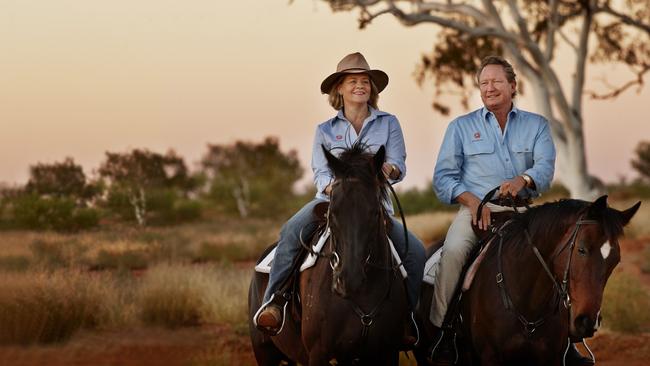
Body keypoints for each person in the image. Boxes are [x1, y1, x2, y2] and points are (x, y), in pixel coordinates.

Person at [429, 56, 593, 365]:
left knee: (556, 259)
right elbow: (443, 179)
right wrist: (473, 202)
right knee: (452, 252)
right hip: (477, 210)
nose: (489, 88)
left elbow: (545, 166)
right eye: (484, 83)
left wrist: (524, 178)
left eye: (496, 82)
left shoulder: (536, 125)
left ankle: (567, 339)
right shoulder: (461, 128)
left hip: (523, 213)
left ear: (513, 86)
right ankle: (443, 333)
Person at [254, 52, 426, 339]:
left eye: (365, 81)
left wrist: (389, 168)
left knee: (416, 251)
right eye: (353, 81)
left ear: (372, 88)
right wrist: (337, 187)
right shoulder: (325, 130)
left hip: (374, 206)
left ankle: (409, 318)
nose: (360, 86)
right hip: (331, 202)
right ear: (340, 89)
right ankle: (275, 302)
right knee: (291, 231)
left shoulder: (389, 123)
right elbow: (320, 173)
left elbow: (400, 164)